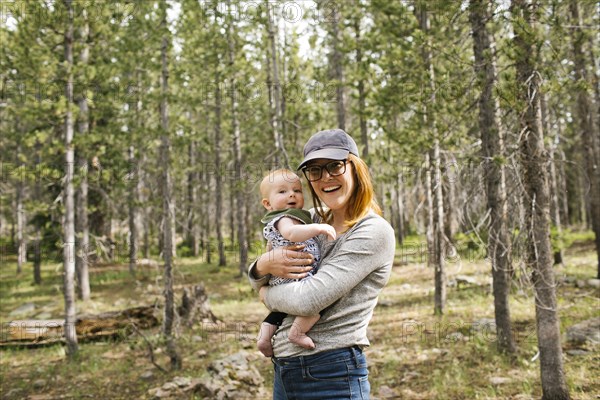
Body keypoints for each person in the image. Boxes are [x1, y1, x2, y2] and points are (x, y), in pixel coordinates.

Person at [248, 129, 396, 399]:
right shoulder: (308, 219)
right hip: (285, 369)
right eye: (314, 170)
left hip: (332, 373)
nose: (325, 177)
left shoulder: (372, 231)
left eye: (335, 165)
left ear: (355, 168)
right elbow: (262, 268)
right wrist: (261, 267)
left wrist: (264, 293)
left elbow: (308, 301)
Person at [257, 169, 336, 357]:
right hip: (297, 276)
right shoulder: (285, 218)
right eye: (282, 191)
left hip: (284, 276)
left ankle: (264, 337)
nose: (292, 194)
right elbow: (292, 234)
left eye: (297, 190)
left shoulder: (296, 217)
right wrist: (319, 227)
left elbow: (270, 250)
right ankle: (297, 332)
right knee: (316, 307)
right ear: (267, 204)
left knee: (278, 313)